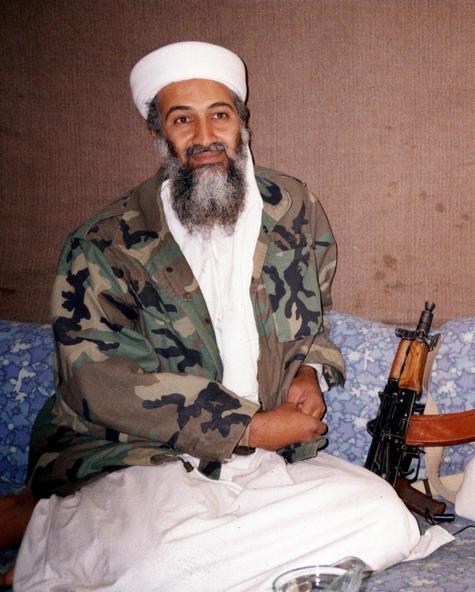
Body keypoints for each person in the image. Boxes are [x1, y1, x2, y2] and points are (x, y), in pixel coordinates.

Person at [7, 41, 447, 591]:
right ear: (158, 133)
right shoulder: (103, 242)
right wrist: (249, 426)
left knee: (385, 518)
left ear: (242, 123)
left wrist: (308, 371)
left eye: (219, 115)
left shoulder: (292, 208)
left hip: (265, 464)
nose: (204, 136)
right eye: (182, 120)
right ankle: (78, 532)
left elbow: (313, 316)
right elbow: (96, 382)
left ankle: (106, 551)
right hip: (141, 460)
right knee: (162, 566)